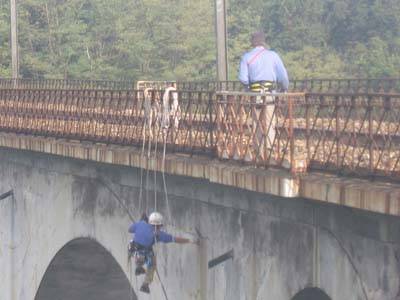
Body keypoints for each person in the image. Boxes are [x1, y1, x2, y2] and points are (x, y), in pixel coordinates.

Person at [238, 32, 289, 159]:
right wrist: (284, 89)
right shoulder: (273, 55)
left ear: (253, 43)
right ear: (264, 42)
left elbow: (243, 78)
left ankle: (258, 148)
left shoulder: (246, 57)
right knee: (269, 120)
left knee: (257, 121)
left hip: (255, 93)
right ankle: (269, 148)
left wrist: (249, 87)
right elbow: (283, 77)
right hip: (269, 93)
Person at [128, 212, 197, 294]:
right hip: (144, 253)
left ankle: (139, 266)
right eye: (160, 226)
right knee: (152, 263)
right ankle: (145, 284)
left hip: (133, 250)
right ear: (158, 225)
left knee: (139, 249)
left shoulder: (141, 223)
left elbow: (130, 230)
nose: (160, 227)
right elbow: (175, 239)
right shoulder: (158, 234)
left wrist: (139, 225)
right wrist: (190, 240)